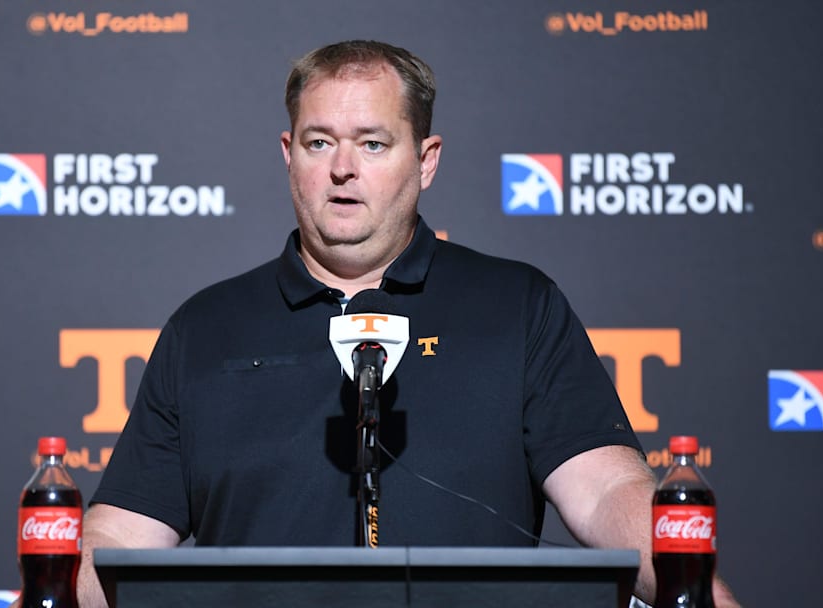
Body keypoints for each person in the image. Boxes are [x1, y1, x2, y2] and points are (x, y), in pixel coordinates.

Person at [71, 40, 741, 607]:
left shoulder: (516, 305)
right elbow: (123, 536)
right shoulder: (206, 327)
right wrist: (56, 580)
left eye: (372, 143)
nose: (342, 169)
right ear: (288, 155)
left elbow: (607, 492)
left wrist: (697, 587)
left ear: (426, 160)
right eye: (319, 142)